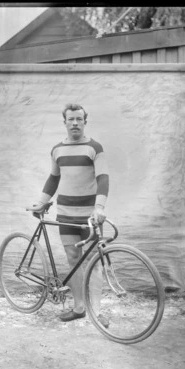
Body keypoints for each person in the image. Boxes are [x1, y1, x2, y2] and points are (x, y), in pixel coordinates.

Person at [30, 103, 109, 327]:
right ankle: (79, 308)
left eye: (79, 119)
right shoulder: (57, 150)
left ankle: (97, 311)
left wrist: (100, 207)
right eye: (71, 119)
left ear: (85, 121)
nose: (75, 123)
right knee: (74, 261)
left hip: (89, 216)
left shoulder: (95, 147)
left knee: (94, 262)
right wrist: (41, 203)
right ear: (64, 122)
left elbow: (103, 177)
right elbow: (53, 178)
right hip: (65, 215)